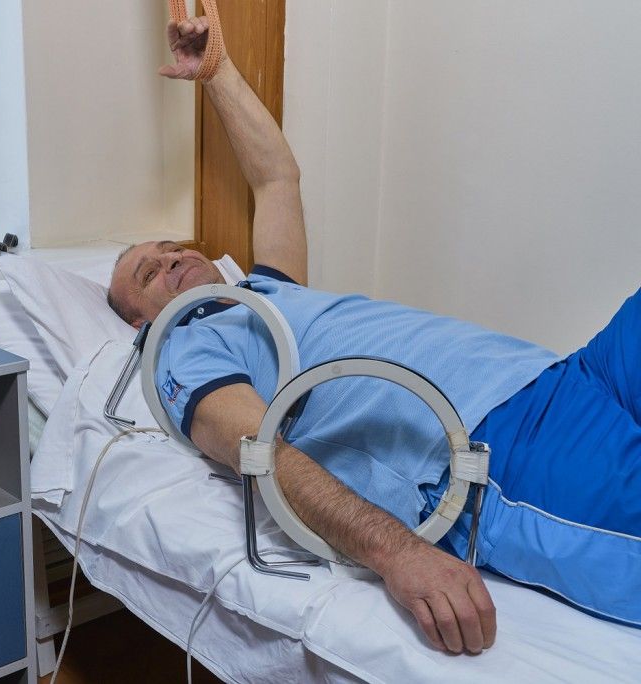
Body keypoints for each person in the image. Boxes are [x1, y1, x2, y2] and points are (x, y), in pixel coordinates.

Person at [108, 16, 641, 655]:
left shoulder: (267, 293)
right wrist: (398, 552)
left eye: (172, 247)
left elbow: (276, 179)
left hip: (567, 372)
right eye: (150, 272)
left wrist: (217, 70)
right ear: (141, 323)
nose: (172, 259)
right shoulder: (185, 349)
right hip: (500, 447)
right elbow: (261, 450)